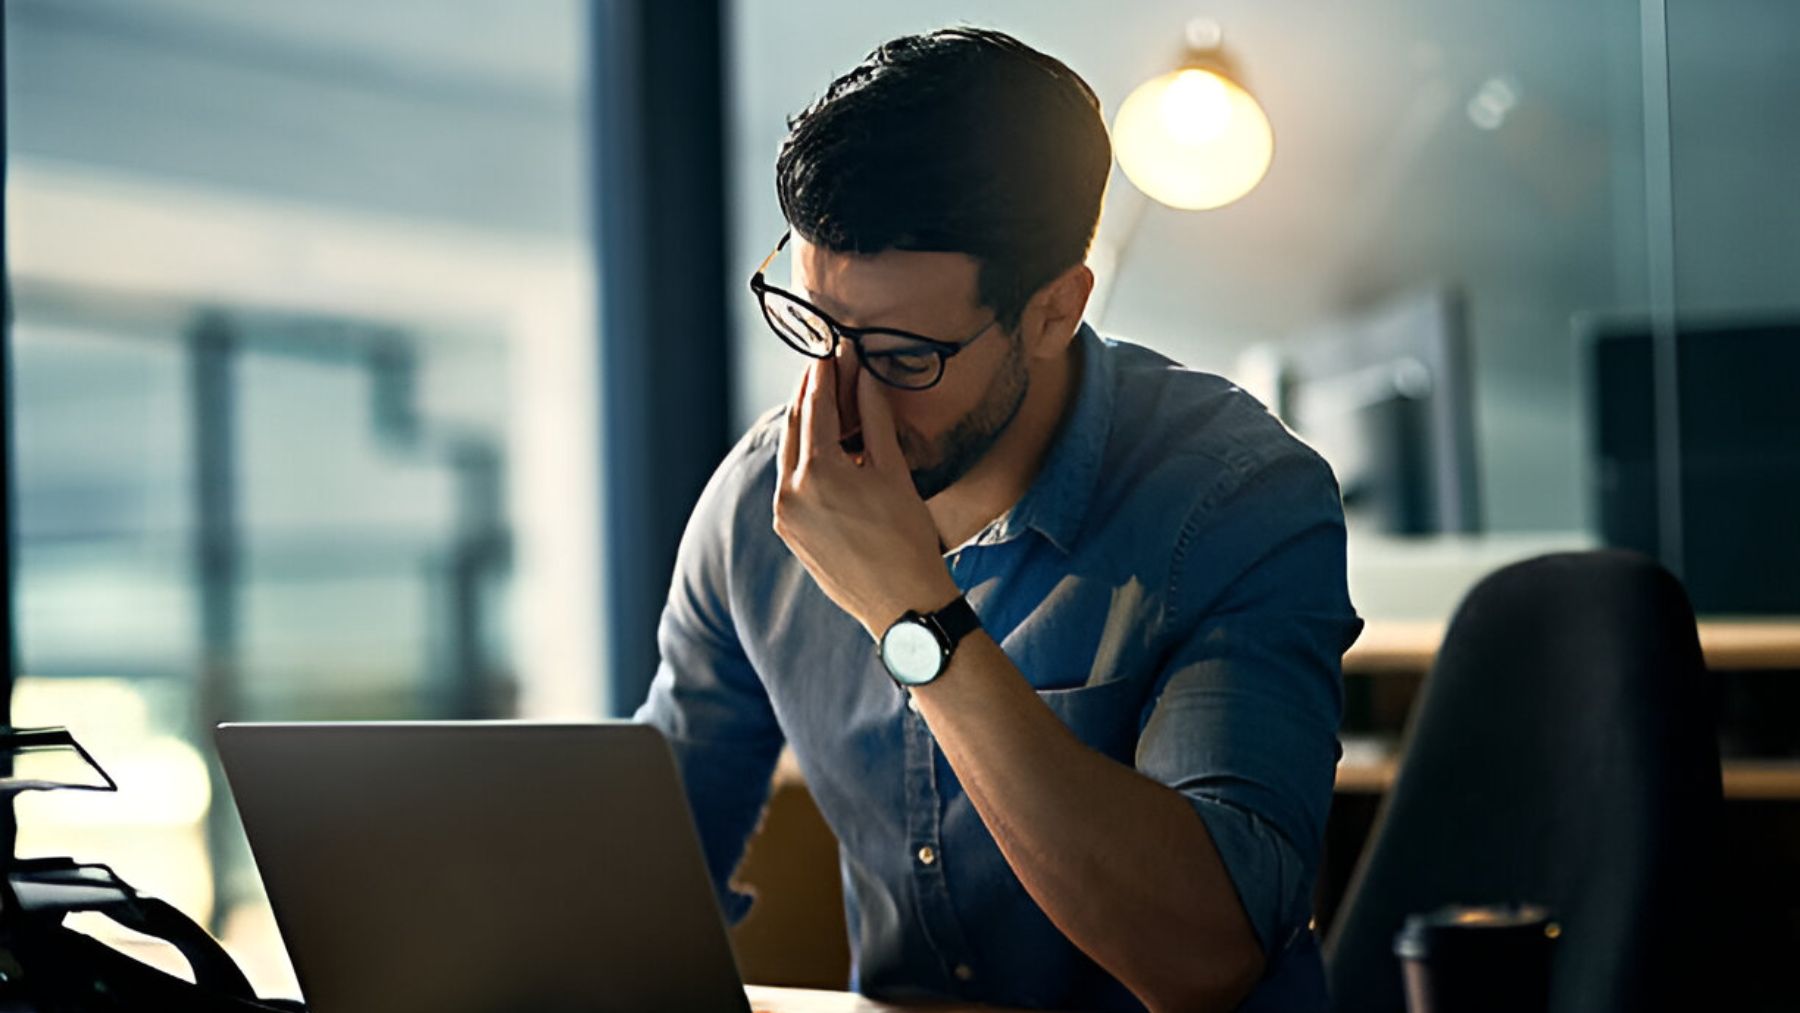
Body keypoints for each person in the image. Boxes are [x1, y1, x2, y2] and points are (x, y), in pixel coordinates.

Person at [636, 26, 1361, 1013]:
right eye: (815, 327)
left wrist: (912, 614)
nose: (842, 400)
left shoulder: (1234, 501)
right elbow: (646, 870)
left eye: (900, 356)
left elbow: (1206, 955)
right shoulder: (762, 502)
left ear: (1056, 310)